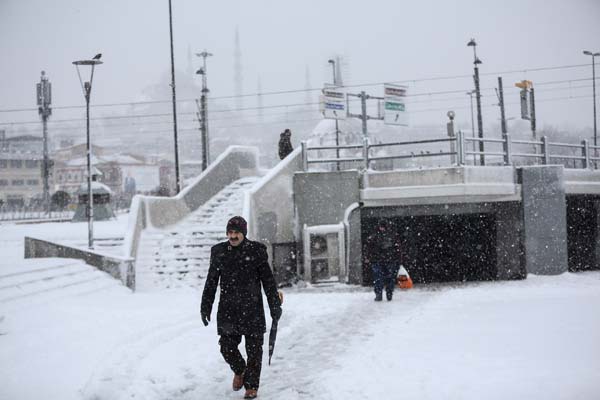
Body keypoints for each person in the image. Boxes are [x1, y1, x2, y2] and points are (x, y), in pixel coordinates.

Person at [201, 216, 282, 399]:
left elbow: (268, 282)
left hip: (252, 308)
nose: (232, 236)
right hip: (229, 310)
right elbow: (211, 282)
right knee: (226, 347)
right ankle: (240, 369)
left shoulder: (256, 252)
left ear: (243, 233)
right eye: (230, 232)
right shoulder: (220, 252)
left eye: (236, 232)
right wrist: (205, 306)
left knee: (254, 350)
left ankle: (251, 386)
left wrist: (274, 305)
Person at [366, 219, 401, 301]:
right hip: (384, 260)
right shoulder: (391, 235)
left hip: (385, 260)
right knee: (384, 278)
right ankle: (382, 294)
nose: (382, 228)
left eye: (383, 227)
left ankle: (385, 294)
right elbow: (397, 248)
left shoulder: (377, 236)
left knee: (384, 278)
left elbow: (397, 249)